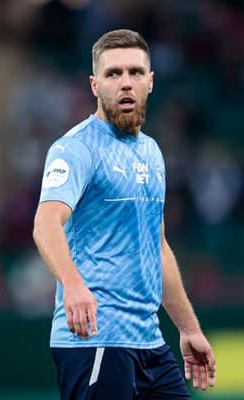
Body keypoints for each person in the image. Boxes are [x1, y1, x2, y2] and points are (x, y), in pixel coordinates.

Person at [32, 29, 216, 399]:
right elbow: (45, 223)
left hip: (149, 343)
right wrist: (73, 285)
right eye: (113, 74)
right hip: (95, 340)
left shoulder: (151, 152)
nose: (125, 83)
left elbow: (157, 247)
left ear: (151, 81)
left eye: (135, 72)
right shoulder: (76, 149)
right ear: (95, 84)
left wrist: (188, 328)